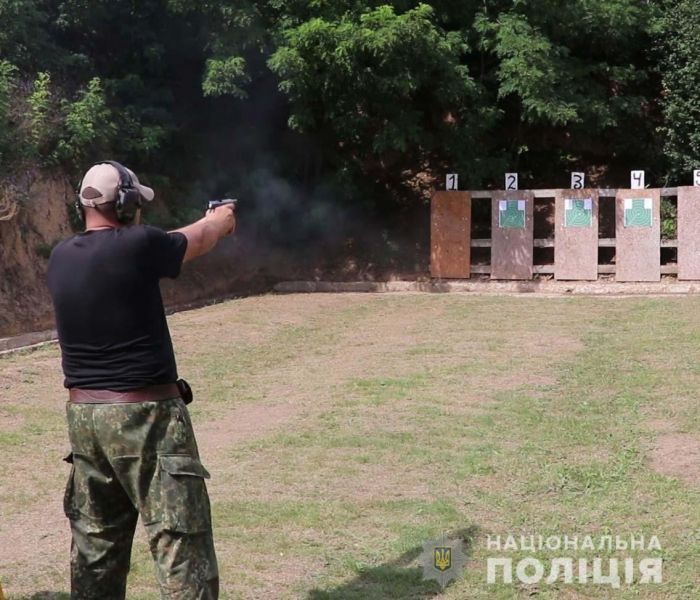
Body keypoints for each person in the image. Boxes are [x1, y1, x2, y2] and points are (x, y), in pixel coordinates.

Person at [47, 160, 235, 599]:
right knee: (180, 544)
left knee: (96, 551)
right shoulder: (137, 244)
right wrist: (220, 220)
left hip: (85, 421)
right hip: (144, 416)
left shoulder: (59, 257)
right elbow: (200, 238)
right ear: (127, 202)